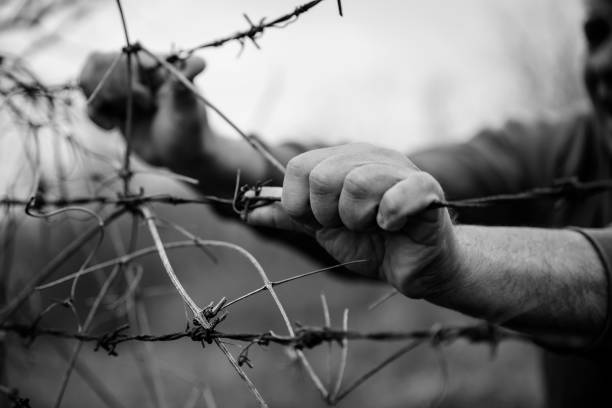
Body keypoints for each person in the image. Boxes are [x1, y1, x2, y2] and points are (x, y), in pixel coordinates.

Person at [78, 0, 612, 406]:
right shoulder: (561, 149)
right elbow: (404, 185)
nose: (604, 60)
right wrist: (203, 155)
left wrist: (457, 261)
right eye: (597, 32)